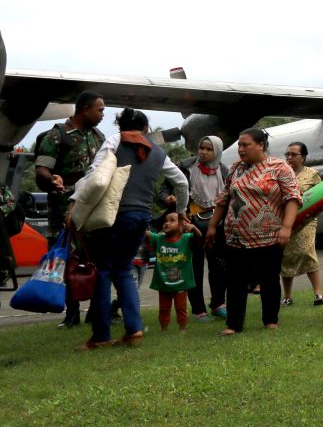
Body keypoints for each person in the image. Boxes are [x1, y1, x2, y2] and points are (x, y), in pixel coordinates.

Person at [72, 108, 189, 350]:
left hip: (112, 215)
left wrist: (74, 202)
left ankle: (101, 336)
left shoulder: (115, 140)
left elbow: (95, 173)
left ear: (121, 127)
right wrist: (182, 209)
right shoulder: (157, 152)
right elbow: (181, 181)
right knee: (123, 270)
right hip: (141, 217)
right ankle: (134, 330)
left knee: (103, 270)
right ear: (146, 128)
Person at [206, 127, 301, 336]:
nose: (240, 149)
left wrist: (286, 227)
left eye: (245, 144)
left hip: (269, 235)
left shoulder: (279, 168)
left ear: (260, 145)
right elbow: (223, 198)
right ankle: (233, 324)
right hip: (235, 236)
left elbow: (293, 198)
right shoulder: (236, 168)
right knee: (235, 281)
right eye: (239, 145)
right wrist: (213, 226)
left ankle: (270, 320)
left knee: (269, 280)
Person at [35, 90, 106, 328]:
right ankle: (71, 314)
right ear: (85, 109)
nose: (102, 115)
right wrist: (51, 179)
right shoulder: (57, 136)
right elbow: (41, 169)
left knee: (95, 256)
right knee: (67, 260)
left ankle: (96, 311)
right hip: (63, 208)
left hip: (93, 208)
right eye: (100, 109)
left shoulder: (99, 136)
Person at [179, 134, 228, 321]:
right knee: (194, 267)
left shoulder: (224, 170)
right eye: (202, 148)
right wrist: (170, 200)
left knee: (219, 266)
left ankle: (218, 304)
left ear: (217, 151)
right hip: (191, 223)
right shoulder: (186, 167)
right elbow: (165, 190)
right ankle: (198, 310)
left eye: (209, 149)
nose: (204, 152)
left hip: (217, 224)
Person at [281, 142, 323, 306]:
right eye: (287, 154)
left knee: (307, 251)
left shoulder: (313, 174)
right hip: (285, 221)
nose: (289, 158)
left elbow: (321, 196)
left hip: (307, 221)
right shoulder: (281, 173)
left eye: (293, 155)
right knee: (286, 256)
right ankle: (287, 295)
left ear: (303, 157)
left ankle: (318, 293)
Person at [149, 211, 202, 331]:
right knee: (163, 308)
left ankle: (182, 329)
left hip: (181, 284)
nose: (167, 223)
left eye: (172, 220)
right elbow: (146, 234)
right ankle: (164, 329)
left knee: (181, 307)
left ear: (182, 224)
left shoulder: (187, 239)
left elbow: (199, 238)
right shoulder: (158, 238)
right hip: (163, 284)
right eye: (165, 221)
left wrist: (194, 228)